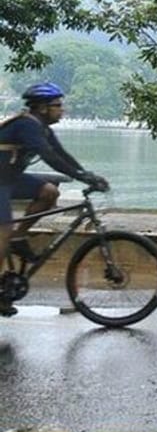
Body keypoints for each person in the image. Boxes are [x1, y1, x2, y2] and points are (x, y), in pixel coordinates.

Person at [0, 82, 109, 316]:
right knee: (2, 233)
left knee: (49, 192)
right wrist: (81, 176)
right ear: (41, 108)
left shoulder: (42, 128)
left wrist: (87, 175)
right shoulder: (26, 125)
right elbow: (48, 156)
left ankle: (19, 236)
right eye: (57, 105)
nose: (62, 110)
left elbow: (61, 154)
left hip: (9, 180)